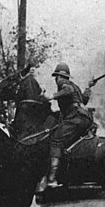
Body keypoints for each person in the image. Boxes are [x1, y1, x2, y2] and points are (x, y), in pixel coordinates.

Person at [36, 62, 96, 192]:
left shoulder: (65, 85)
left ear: (59, 77)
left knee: (56, 140)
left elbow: (68, 91)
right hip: (85, 118)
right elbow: (84, 100)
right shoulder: (75, 86)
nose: (57, 80)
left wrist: (50, 97)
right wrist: (89, 87)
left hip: (76, 118)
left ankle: (52, 179)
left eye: (56, 77)